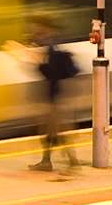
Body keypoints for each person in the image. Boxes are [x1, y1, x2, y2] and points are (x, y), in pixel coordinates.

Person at [20, 20, 82, 176]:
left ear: (46, 32)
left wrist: (35, 62)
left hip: (56, 98)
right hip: (56, 97)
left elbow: (50, 73)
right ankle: (46, 161)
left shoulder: (52, 51)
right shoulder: (54, 48)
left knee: (59, 131)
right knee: (49, 131)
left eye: (39, 32)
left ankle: (73, 163)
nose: (36, 35)